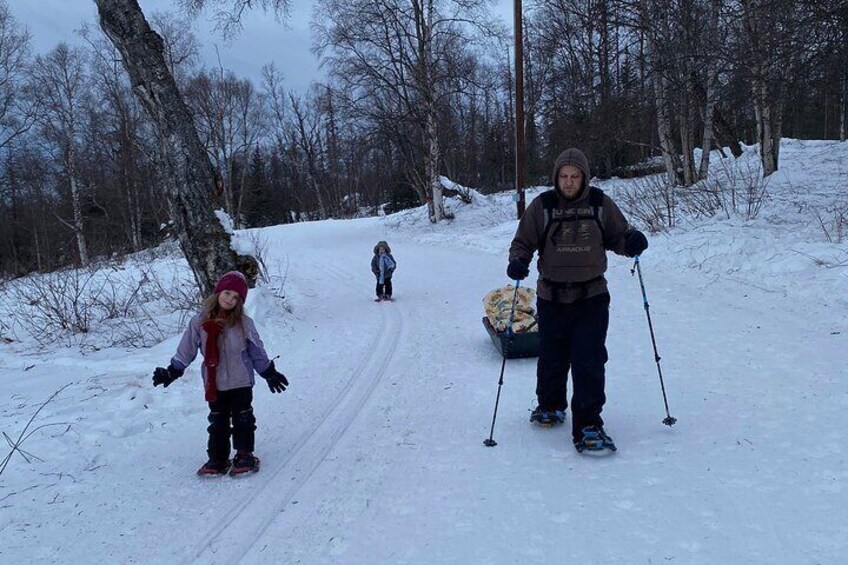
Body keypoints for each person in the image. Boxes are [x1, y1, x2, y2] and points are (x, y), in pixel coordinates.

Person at [507, 148, 648, 451]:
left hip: (591, 296)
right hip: (551, 295)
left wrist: (632, 241)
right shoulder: (542, 206)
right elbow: (523, 241)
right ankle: (550, 404)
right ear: (556, 177)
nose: (569, 182)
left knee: (589, 359)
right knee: (552, 356)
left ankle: (588, 425)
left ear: (584, 177)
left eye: (575, 177)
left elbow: (618, 235)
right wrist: (518, 260)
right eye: (564, 176)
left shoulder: (599, 204)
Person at [152, 271, 289, 475]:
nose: (230, 300)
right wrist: (173, 371)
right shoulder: (199, 322)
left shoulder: (243, 323)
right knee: (218, 421)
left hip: (241, 381)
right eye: (227, 293)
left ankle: (244, 455)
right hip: (215, 384)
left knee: (244, 419)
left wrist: (269, 372)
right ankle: (217, 458)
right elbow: (186, 349)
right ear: (218, 293)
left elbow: (256, 351)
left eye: (236, 297)